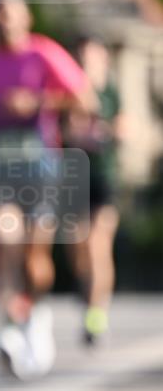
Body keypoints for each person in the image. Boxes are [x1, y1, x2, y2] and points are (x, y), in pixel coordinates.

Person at [0, 0, 93, 378]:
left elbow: (85, 99)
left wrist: (38, 102)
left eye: (10, 14)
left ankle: (35, 312)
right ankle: (9, 328)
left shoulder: (44, 53)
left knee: (35, 258)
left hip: (40, 169)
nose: (4, 21)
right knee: (3, 241)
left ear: (26, 18)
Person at [64, 37, 122, 344]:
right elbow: (62, 132)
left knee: (99, 243)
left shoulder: (111, 92)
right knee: (78, 244)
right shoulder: (68, 93)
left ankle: (97, 312)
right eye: (82, 59)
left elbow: (126, 127)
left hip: (104, 177)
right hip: (74, 178)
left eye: (92, 59)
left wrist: (107, 131)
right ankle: (85, 285)